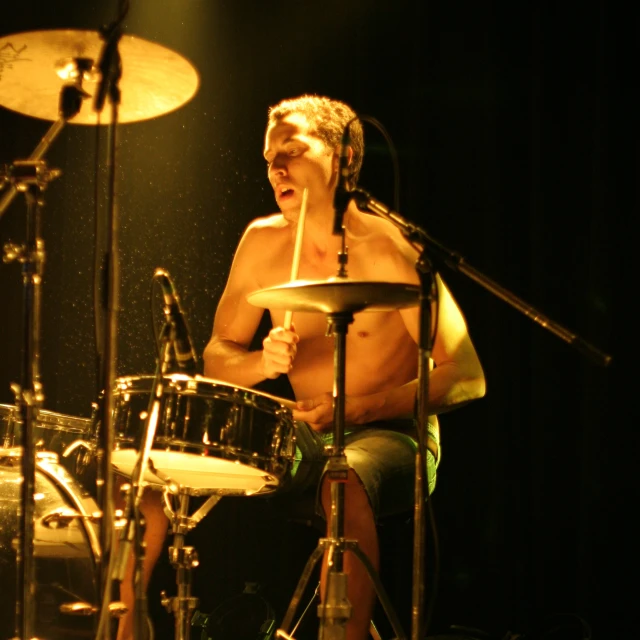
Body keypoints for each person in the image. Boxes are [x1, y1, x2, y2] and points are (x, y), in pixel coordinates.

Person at [116, 94, 486, 640]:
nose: (277, 169)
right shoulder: (262, 242)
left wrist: (360, 407)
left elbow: (468, 374)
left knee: (344, 478)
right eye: (270, 159)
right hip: (298, 428)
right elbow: (217, 357)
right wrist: (259, 363)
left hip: (392, 433)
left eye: (291, 151)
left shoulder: (392, 250)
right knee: (153, 464)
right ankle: (126, 626)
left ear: (343, 157)